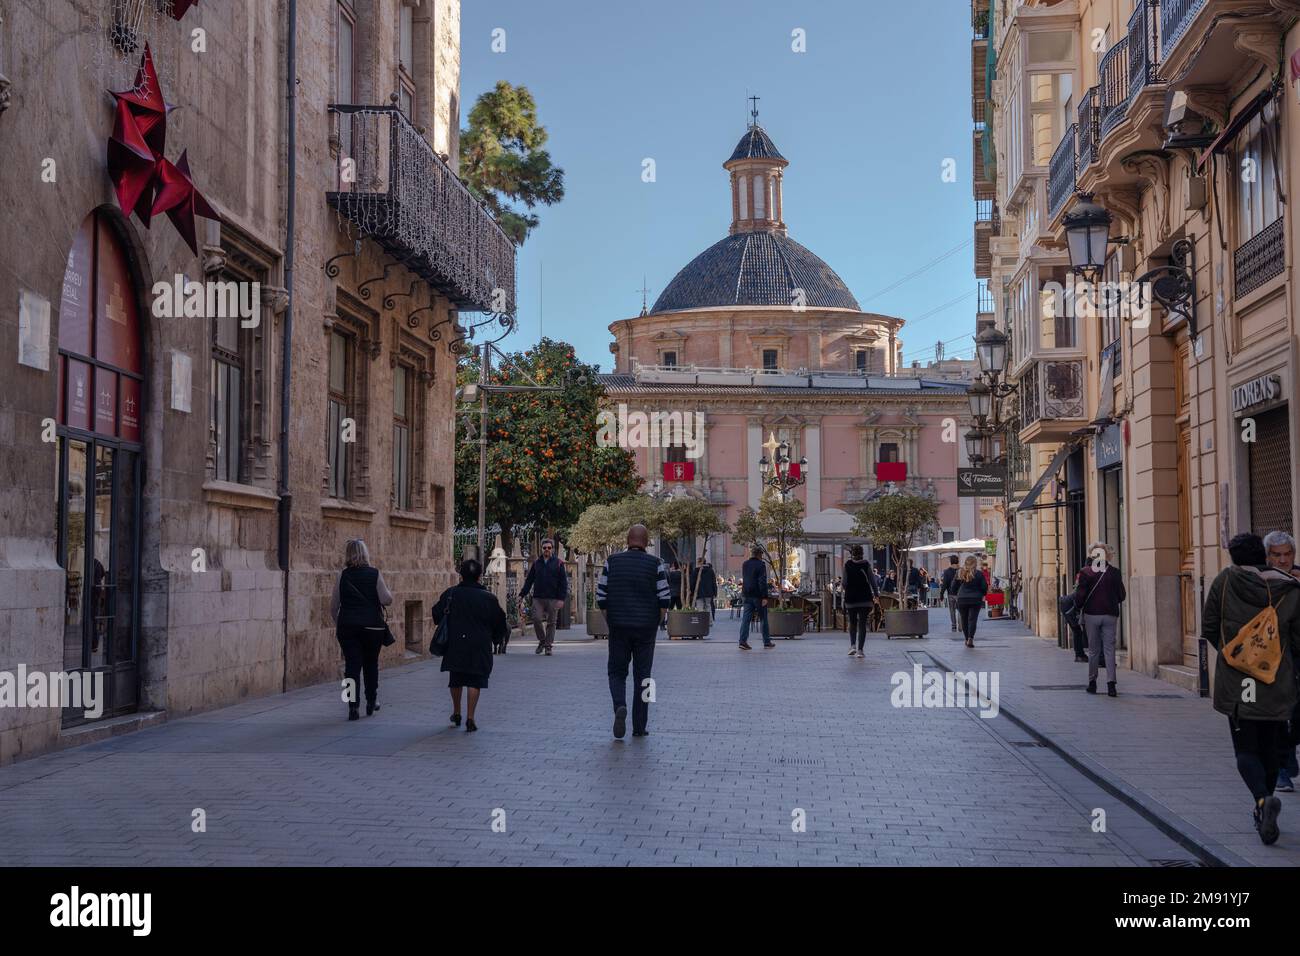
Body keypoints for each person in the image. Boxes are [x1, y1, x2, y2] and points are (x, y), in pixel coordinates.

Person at [1203, 532, 1300, 846]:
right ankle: (1267, 801)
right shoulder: (1288, 588)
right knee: (1270, 749)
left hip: (1240, 684)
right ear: (1265, 554)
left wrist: (1236, 656)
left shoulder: (1225, 582)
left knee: (1246, 749)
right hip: (1275, 681)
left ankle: (1261, 801)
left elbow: (1208, 626)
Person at [596, 524, 671, 739]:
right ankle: (640, 726)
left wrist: (611, 621)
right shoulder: (655, 564)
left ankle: (620, 705)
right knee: (646, 678)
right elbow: (664, 598)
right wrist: (655, 622)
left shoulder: (612, 562)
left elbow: (601, 597)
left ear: (627, 540)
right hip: (646, 629)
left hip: (619, 627)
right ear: (646, 542)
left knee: (616, 672)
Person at [432, 557, 507, 733]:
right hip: (479, 644)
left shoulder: (451, 594)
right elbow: (500, 622)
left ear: (461, 575)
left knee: (456, 679)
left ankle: (456, 711)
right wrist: (496, 639)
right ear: (480, 576)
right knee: (475, 680)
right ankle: (471, 717)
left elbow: (436, 615)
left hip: (456, 643)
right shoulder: (488, 598)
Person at [330, 538, 393, 720]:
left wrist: (341, 623)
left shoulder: (343, 575)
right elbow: (386, 599)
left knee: (351, 666)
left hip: (348, 627)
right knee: (371, 664)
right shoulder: (374, 574)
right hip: (372, 627)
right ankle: (372, 701)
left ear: (348, 555)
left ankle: (352, 706)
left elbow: (334, 606)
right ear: (365, 554)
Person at [1263, 530, 1300, 792]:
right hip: (1272, 657)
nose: (1283, 560)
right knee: (1278, 713)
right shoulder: (1259, 581)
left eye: (1288, 554)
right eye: (1277, 555)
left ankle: (1288, 750)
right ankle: (1283, 768)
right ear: (1268, 557)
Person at [1074, 541, 1127, 696]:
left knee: (1093, 650)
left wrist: (1079, 606)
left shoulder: (1086, 572)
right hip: (1110, 615)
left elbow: (1080, 597)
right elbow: (1122, 595)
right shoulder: (1115, 572)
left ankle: (1092, 683)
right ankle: (1111, 685)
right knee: (1110, 650)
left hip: (1091, 615)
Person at [520, 538, 568, 656]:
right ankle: (542, 641)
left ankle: (548, 646)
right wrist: (521, 594)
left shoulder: (559, 563)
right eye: (544, 548)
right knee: (536, 619)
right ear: (541, 549)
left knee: (551, 623)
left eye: (549, 548)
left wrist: (561, 599)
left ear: (552, 549)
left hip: (553, 598)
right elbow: (529, 580)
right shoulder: (537, 563)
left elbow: (563, 583)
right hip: (538, 598)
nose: (547, 550)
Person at [843, 545, 878, 658]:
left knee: (852, 622)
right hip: (864, 599)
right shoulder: (866, 564)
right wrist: (876, 595)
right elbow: (873, 582)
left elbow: (844, 583)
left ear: (852, 554)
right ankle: (860, 650)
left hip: (851, 599)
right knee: (862, 624)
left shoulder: (847, 565)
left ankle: (852, 645)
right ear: (862, 553)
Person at [739, 545, 775, 650]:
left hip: (746, 595)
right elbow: (762, 581)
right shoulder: (761, 565)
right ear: (760, 555)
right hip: (758, 596)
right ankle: (767, 642)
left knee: (746, 619)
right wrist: (764, 596)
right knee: (763, 618)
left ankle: (742, 641)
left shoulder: (745, 564)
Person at [955, 554, 987, 648]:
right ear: (975, 564)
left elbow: (954, 586)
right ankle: (970, 638)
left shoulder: (960, 573)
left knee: (964, 619)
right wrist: (982, 593)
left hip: (962, 599)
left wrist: (957, 593)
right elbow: (984, 587)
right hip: (975, 599)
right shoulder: (979, 574)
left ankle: (966, 639)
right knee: (972, 619)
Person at [692, 556, 718, 621]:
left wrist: (692, 592)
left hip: (698, 591)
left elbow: (693, 582)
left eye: (698, 562)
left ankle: (701, 621)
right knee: (708, 606)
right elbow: (714, 582)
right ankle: (709, 622)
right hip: (709, 592)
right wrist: (715, 592)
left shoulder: (696, 570)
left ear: (700, 562)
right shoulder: (710, 570)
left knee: (700, 607)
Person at [940, 555, 961, 632]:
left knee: (952, 610)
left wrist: (941, 594)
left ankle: (954, 626)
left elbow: (945, 584)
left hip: (951, 594)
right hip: (960, 594)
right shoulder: (961, 570)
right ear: (958, 561)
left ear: (950, 562)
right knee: (960, 610)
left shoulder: (947, 571)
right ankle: (961, 625)